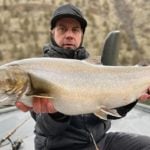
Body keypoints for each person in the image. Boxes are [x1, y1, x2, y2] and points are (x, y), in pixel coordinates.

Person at [16, 4, 150, 150]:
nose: (69, 34)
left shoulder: (94, 68)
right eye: (62, 29)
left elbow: (109, 113)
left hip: (99, 142)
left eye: (75, 30)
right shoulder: (38, 71)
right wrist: (55, 114)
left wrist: (135, 94)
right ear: (52, 33)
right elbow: (48, 130)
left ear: (81, 35)